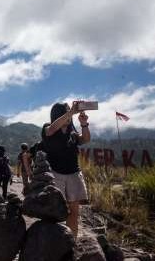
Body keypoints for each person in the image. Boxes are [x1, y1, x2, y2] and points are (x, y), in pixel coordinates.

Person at [42, 102, 90, 239]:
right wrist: (70, 112)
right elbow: (51, 129)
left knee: (74, 212)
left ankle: (71, 242)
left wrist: (84, 123)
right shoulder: (47, 128)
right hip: (55, 174)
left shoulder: (72, 133)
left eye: (70, 111)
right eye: (66, 111)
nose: (70, 114)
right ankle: (53, 241)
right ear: (58, 113)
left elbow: (85, 139)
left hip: (74, 174)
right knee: (54, 211)